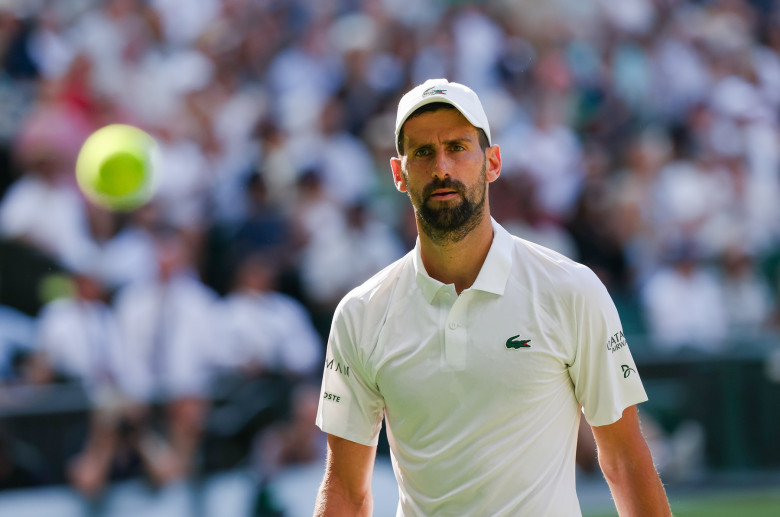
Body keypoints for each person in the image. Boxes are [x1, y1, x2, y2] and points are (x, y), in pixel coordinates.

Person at [314, 79, 671, 516]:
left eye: (458, 147)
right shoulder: (360, 314)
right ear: (398, 174)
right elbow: (348, 493)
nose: (442, 167)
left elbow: (625, 460)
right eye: (423, 152)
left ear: (492, 162)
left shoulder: (570, 289)